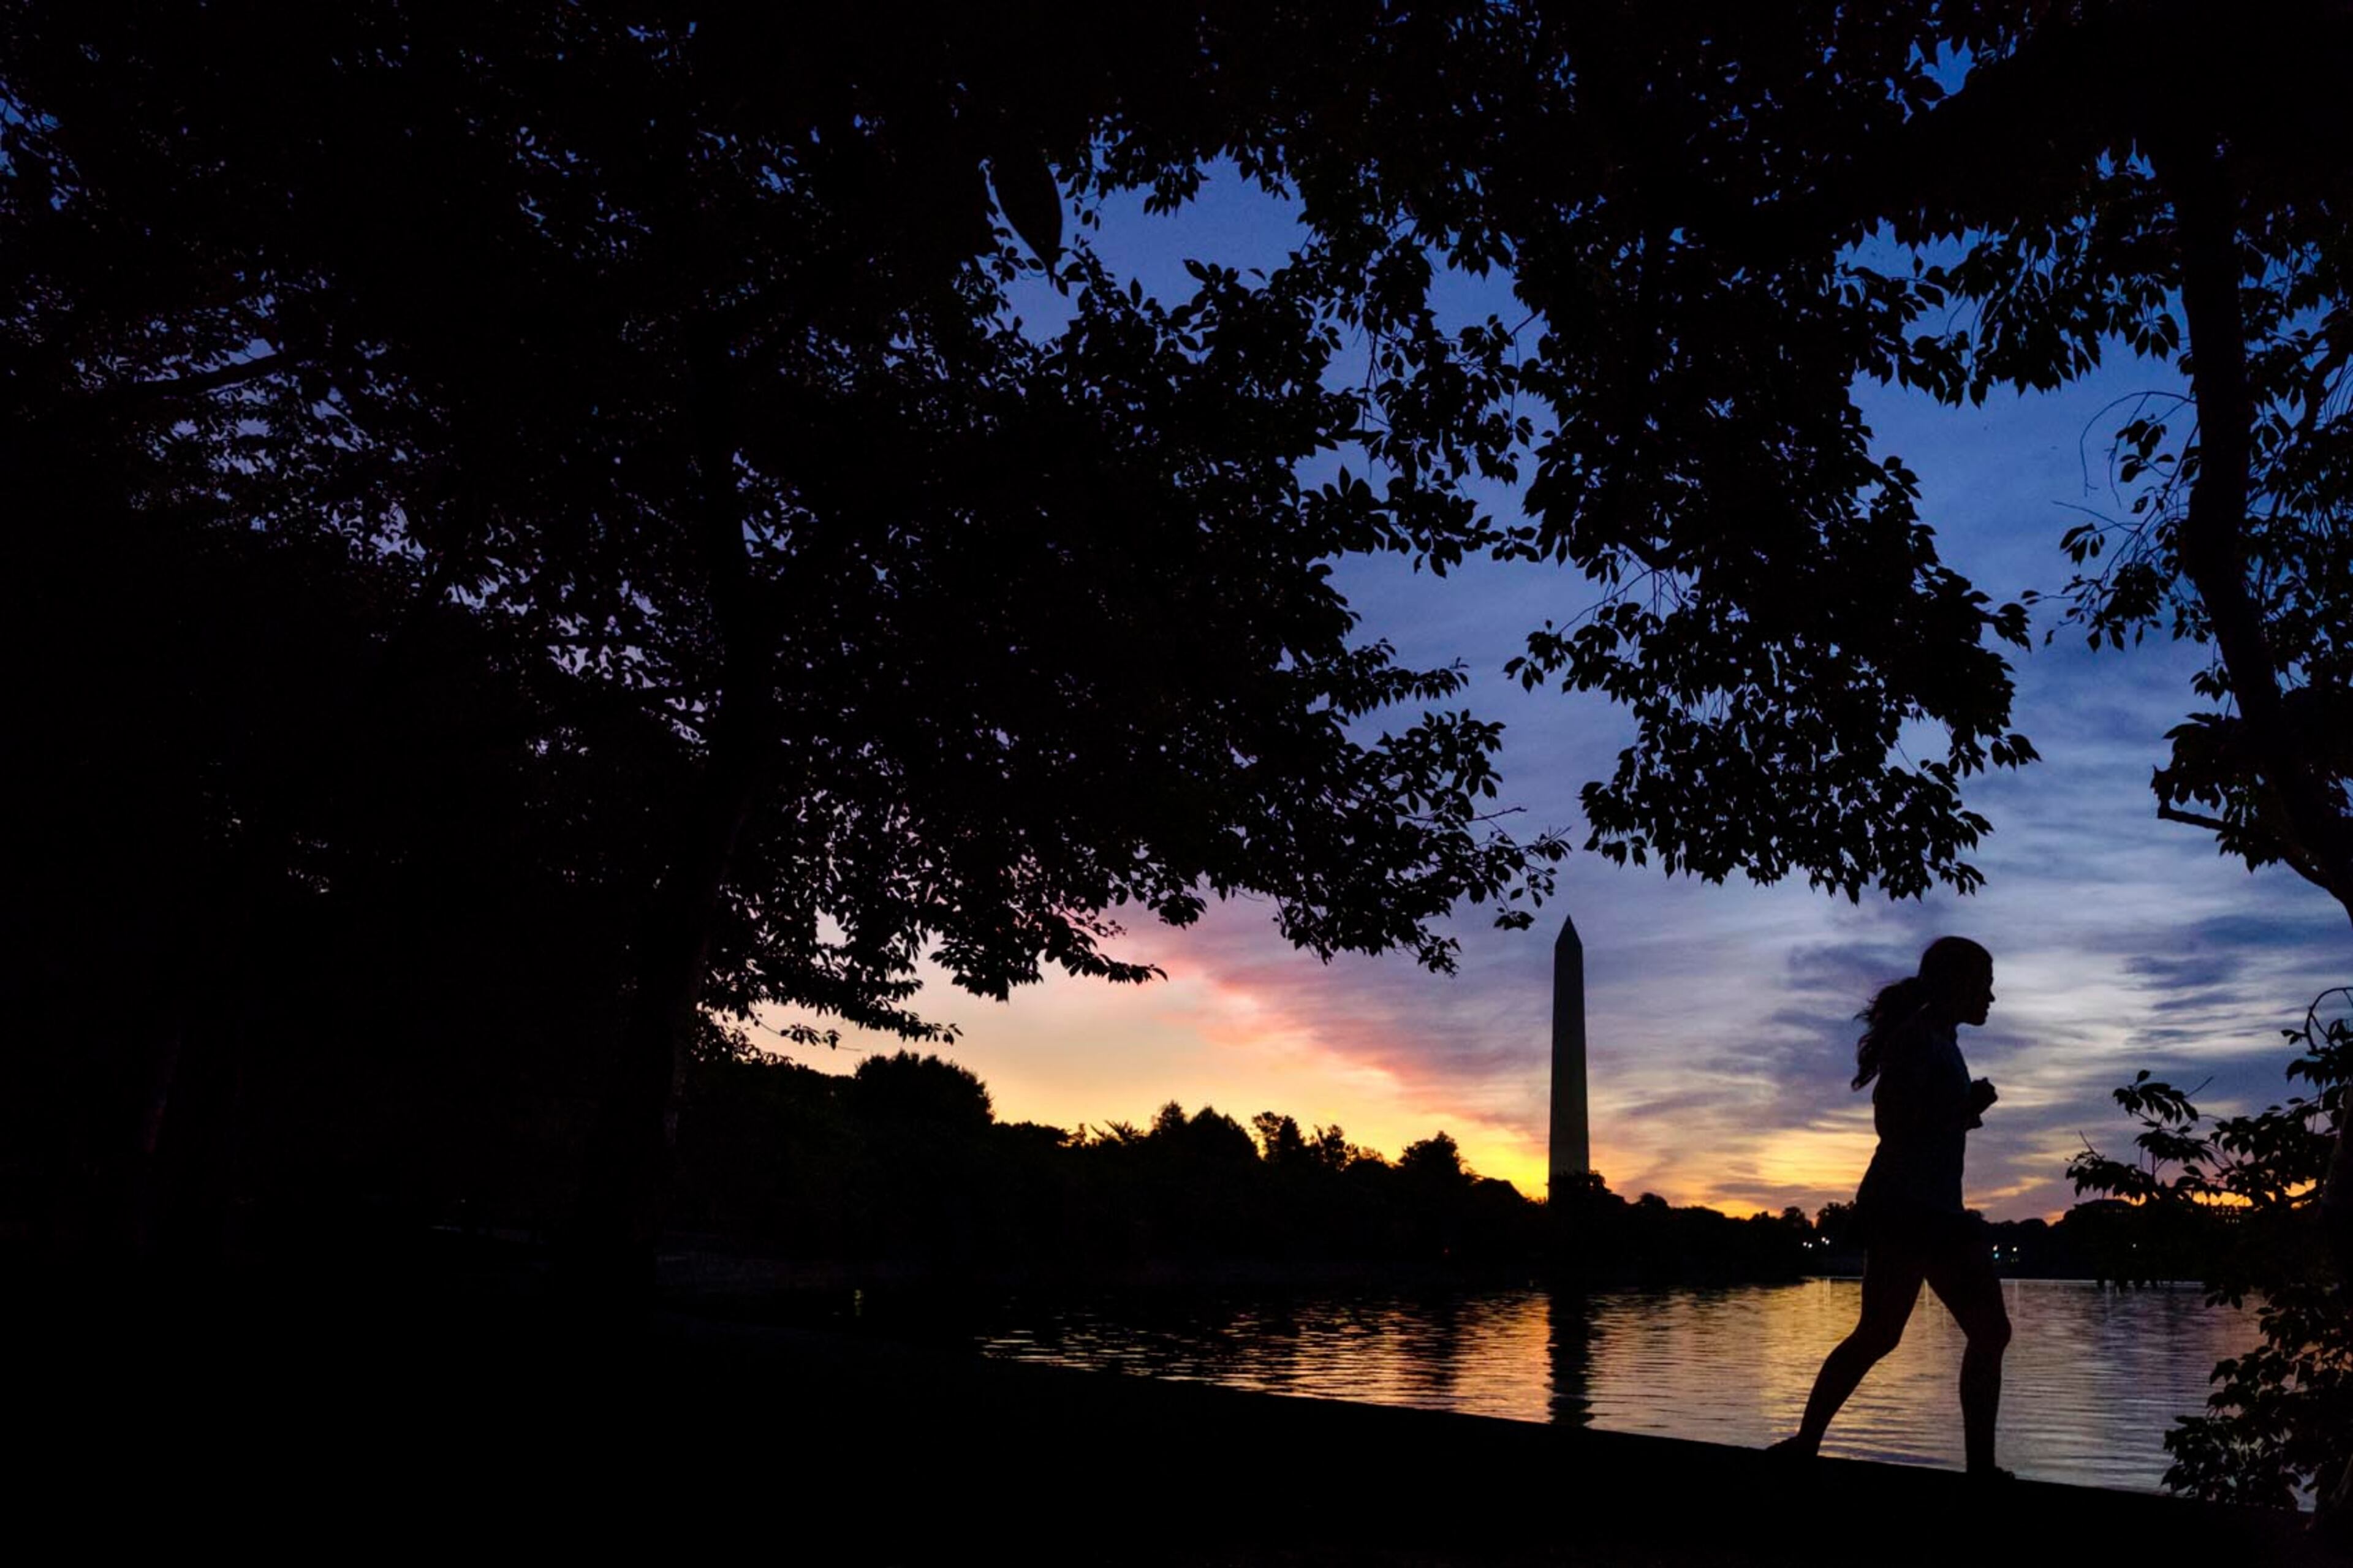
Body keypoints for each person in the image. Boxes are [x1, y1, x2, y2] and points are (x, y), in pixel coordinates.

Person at [1770, 936, 2012, 1479]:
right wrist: (1965, 1107)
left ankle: (1979, 1469)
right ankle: (1807, 1442)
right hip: (1907, 1209)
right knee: (1886, 1333)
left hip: (1932, 1210)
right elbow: (1895, 1128)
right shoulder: (1917, 1040)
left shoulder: (1943, 1038)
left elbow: (1928, 1126)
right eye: (1985, 985)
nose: (1993, 997)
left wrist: (1962, 1110)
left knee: (1977, 1331)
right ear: (1956, 985)